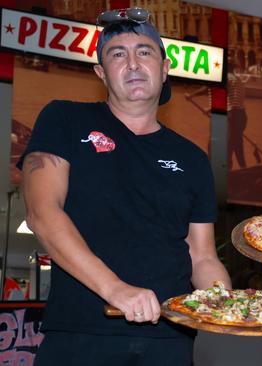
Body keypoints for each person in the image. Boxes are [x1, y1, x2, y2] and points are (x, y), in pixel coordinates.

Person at [18, 8, 231, 366]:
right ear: (101, 73)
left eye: (144, 52)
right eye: (118, 55)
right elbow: (42, 213)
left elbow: (202, 256)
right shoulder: (65, 119)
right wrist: (116, 290)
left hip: (171, 340)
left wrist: (224, 301)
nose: (132, 63)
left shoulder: (192, 158)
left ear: (164, 69)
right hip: (82, 335)